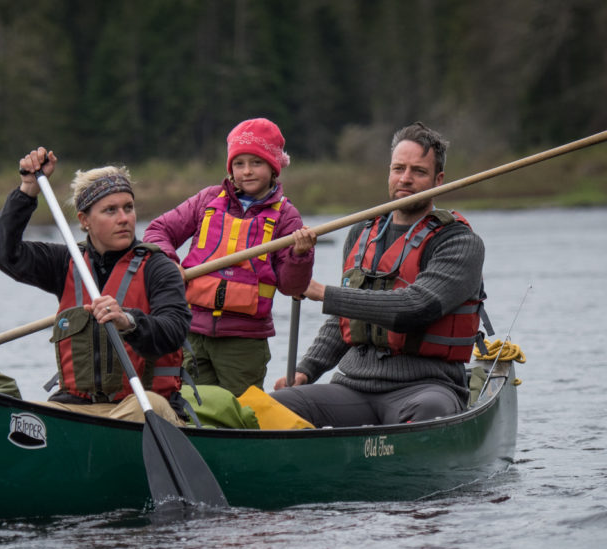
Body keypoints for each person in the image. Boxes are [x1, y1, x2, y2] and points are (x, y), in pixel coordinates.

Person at [270, 122, 490, 427]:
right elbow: (345, 319)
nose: (406, 179)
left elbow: (415, 307)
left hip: (426, 388)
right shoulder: (362, 232)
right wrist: (306, 370)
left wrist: (324, 293)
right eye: (398, 168)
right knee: (275, 408)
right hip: (353, 386)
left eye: (418, 171)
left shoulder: (459, 242)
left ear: (439, 180)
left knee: (429, 413)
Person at [0, 147, 190, 424]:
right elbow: (2, 252)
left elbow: (174, 330)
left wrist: (128, 321)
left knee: (143, 408)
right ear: (84, 221)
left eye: (128, 208)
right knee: (23, 417)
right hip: (78, 407)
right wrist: (28, 190)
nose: (124, 218)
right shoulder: (65, 262)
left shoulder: (158, 267)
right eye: (110, 210)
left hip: (144, 405)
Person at [144, 117, 317, 397]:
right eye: (239, 164)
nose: (247, 171)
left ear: (273, 168)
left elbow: (292, 287)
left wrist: (301, 254)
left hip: (244, 341)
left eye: (256, 163)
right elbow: (158, 230)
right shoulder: (207, 200)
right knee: (191, 406)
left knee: (240, 413)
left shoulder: (287, 216)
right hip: (192, 331)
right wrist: (168, 263)